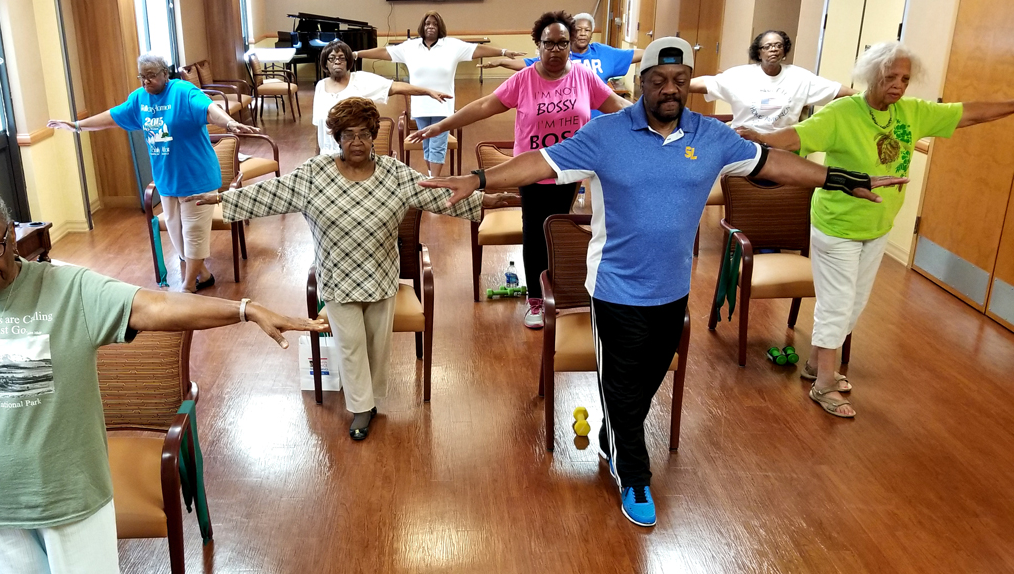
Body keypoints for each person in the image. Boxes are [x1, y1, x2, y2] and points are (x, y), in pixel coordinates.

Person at [420, 37, 905, 527]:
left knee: (648, 380)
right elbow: (541, 163)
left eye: (679, 80)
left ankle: (616, 436)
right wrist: (481, 180)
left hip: (672, 289)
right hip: (614, 289)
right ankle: (633, 473)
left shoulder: (711, 136)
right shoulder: (607, 132)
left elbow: (772, 163)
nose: (669, 90)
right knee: (622, 385)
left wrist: (838, 179)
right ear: (642, 84)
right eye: (658, 81)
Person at [0, 177, 324, 574]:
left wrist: (243, 309)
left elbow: (154, 306)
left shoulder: (68, 289)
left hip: (71, 499)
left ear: (12, 236)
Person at [199, 98, 512, 440]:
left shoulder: (394, 173)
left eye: (365, 134)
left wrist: (482, 200)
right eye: (349, 135)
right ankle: (361, 407)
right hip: (337, 277)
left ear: (374, 136)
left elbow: (436, 194)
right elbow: (273, 192)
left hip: (381, 274)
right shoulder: (315, 173)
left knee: (377, 345)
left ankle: (371, 398)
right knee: (350, 344)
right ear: (337, 138)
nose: (358, 142)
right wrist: (222, 199)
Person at [737, 41, 1014, 418]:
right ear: (871, 75)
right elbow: (797, 137)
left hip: (879, 224)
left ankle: (818, 364)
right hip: (837, 224)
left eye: (905, 78)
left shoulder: (912, 112)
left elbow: (968, 114)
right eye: (890, 77)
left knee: (854, 303)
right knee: (836, 303)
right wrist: (763, 137)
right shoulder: (843, 112)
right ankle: (824, 385)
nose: (898, 85)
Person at [409, 10, 631, 329]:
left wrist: (657, 121)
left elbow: (616, 107)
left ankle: (562, 289)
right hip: (531, 171)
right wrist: (441, 125)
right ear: (537, 45)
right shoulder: (525, 79)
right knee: (536, 232)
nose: (555, 50)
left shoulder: (583, 77)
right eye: (548, 43)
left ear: (571, 45)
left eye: (562, 43)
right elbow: (484, 106)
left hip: (570, 170)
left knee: (560, 228)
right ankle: (537, 299)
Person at [47, 53, 257, 294]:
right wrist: (76, 126)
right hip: (167, 180)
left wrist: (229, 123)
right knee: (176, 233)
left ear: (165, 74)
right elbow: (112, 117)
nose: (146, 82)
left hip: (196, 177)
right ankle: (204, 274)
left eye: (151, 76)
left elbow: (209, 109)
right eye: (142, 77)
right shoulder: (139, 100)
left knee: (193, 232)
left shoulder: (183, 91)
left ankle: (188, 287)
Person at [354, 11, 526, 176]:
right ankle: (431, 175)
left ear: (440, 27)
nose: (431, 26)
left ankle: (433, 180)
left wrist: (503, 52)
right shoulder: (410, 47)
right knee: (427, 145)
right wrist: (356, 54)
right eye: (428, 23)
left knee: (437, 145)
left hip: (443, 106)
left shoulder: (452, 46)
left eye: (435, 24)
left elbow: (478, 50)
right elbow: (384, 53)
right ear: (422, 26)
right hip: (421, 107)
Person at [689, 30, 854, 132]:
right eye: (767, 46)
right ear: (758, 53)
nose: (774, 49)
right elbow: (705, 83)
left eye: (778, 45)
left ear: (784, 51)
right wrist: (673, 84)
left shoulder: (800, 77)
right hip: (744, 142)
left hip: (783, 145)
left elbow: (838, 91)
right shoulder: (739, 75)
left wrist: (868, 96)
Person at [313, 40, 451, 157]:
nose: (337, 61)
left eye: (342, 58)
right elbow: (318, 125)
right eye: (332, 58)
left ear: (348, 62)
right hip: (326, 155)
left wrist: (427, 91)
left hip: (353, 154)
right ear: (325, 63)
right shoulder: (320, 86)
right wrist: (316, 157)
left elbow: (395, 87)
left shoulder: (360, 80)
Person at [480, 11, 642, 109]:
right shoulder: (560, 55)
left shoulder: (604, 53)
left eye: (587, 30)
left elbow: (633, 55)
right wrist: (501, 62)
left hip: (598, 121)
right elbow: (528, 64)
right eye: (578, 30)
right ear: (571, 33)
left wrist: (662, 49)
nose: (583, 33)